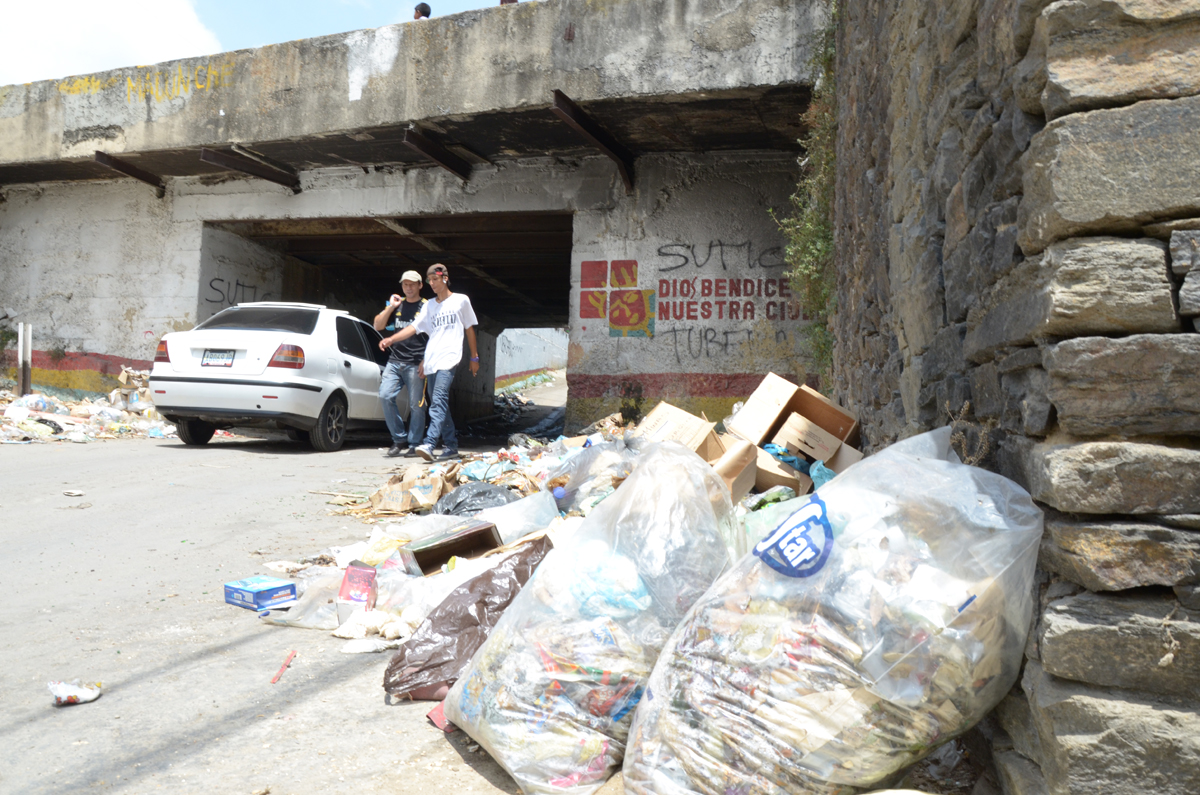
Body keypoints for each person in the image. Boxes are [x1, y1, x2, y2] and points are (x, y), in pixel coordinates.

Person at [379, 263, 479, 462]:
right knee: (439, 402)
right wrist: (392, 339)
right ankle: (451, 446)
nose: (432, 283)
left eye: (435, 279)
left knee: (438, 401)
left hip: (449, 359)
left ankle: (430, 443)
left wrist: (474, 357)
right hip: (432, 360)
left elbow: (469, 328)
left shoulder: (461, 301)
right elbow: (414, 327)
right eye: (429, 280)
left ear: (445, 278)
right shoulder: (429, 305)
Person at [374, 271, 429, 458]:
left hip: (416, 362)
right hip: (395, 360)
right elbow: (378, 326)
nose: (409, 288)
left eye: (412, 284)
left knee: (416, 405)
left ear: (420, 285)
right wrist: (390, 307)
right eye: (405, 284)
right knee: (385, 395)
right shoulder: (398, 305)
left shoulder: (427, 306)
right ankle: (398, 439)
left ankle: (415, 444)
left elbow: (435, 334)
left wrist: (426, 359)